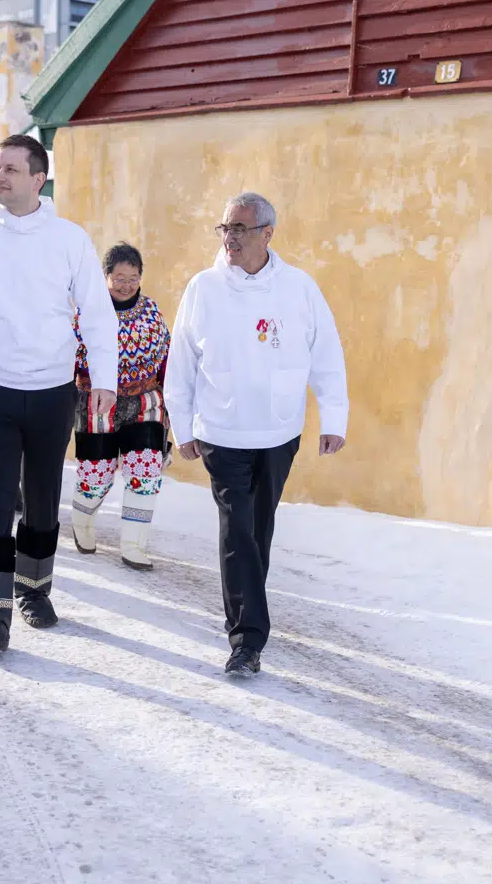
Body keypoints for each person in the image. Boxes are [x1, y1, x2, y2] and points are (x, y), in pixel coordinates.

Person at [0, 136, 118, 653]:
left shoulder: (69, 240)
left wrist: (105, 379)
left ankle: (33, 590)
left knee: (40, 500)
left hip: (52, 392)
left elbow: (98, 315)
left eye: (11, 169)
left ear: (39, 178)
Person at [165, 192, 348, 677]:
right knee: (238, 530)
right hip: (222, 434)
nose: (230, 238)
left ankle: (248, 613)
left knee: (257, 529)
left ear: (268, 233)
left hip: (278, 433)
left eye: (240, 229)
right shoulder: (203, 289)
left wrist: (334, 418)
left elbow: (326, 352)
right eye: (225, 228)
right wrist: (181, 426)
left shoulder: (299, 288)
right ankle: (246, 639)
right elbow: (180, 364)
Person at [71, 242, 172, 570]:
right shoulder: (88, 312)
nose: (127, 284)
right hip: (99, 403)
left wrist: (170, 398)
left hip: (145, 402)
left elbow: (166, 356)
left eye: (133, 277)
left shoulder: (152, 311)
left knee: (146, 471)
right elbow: (71, 357)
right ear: (106, 277)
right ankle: (82, 521)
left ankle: (134, 545)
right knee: (96, 475)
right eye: (119, 277)